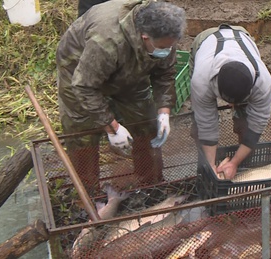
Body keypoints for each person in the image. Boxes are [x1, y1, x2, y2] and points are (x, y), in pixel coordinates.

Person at [56, 0, 186, 193]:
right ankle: (90, 195)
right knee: (82, 131)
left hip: (131, 66)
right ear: (145, 37)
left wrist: (164, 112)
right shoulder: (107, 40)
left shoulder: (165, 34)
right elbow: (84, 87)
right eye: (162, 47)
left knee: (146, 122)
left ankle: (151, 185)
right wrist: (113, 128)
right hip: (79, 68)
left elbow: (165, 74)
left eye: (169, 46)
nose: (166, 50)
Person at [189, 24, 271, 180]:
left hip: (242, 36)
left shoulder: (263, 83)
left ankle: (242, 164)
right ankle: (205, 166)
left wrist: (234, 163)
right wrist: (211, 168)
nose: (229, 106)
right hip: (205, 40)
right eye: (228, 102)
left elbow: (257, 124)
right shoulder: (201, 80)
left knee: (245, 122)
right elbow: (207, 124)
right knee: (199, 125)